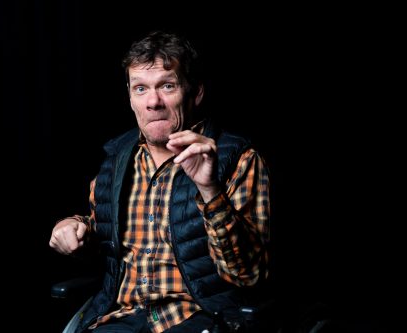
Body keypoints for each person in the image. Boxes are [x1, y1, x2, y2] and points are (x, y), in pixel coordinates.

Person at [49, 30, 271, 333]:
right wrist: (74, 228)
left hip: (198, 317)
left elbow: (249, 275)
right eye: (140, 89)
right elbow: (100, 231)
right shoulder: (116, 160)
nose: (153, 102)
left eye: (167, 86)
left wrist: (209, 190)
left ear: (196, 92)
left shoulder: (237, 159)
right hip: (120, 317)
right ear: (129, 96)